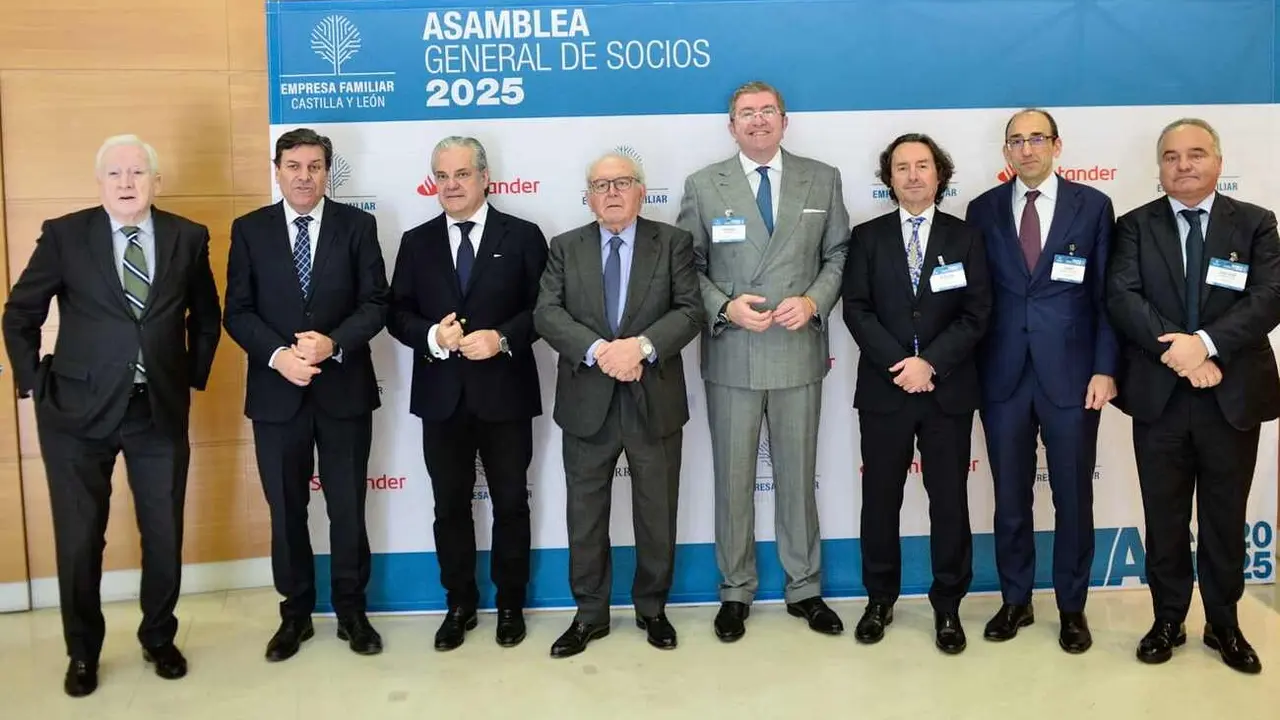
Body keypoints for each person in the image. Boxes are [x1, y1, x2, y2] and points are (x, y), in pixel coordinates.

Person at [1, 134, 221, 696]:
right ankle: (83, 652)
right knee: (79, 540)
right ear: (99, 183)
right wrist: (33, 383)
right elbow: (20, 312)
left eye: (138, 173)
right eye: (116, 174)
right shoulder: (65, 235)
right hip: (74, 415)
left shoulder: (187, 237)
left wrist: (187, 377)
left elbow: (208, 316)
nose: (127, 183)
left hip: (157, 411)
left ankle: (158, 637)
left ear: (156, 182)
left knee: (164, 532)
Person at [677, 80, 850, 641]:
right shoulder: (703, 185)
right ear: (731, 126)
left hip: (798, 350)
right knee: (732, 479)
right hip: (733, 353)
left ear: (784, 119)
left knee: (798, 477)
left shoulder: (821, 177)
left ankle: (805, 588)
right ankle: (735, 590)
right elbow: (687, 267)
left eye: (766, 112)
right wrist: (724, 308)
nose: (757, 121)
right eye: (745, 114)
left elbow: (838, 252)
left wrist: (813, 300)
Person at [1107, 118, 1280, 674]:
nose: (1184, 165)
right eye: (1172, 156)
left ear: (1218, 162)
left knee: (1226, 516)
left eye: (1196, 154)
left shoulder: (1256, 224)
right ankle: (1167, 618)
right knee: (1164, 514)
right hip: (1160, 396)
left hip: (1231, 393)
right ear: (1158, 168)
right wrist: (1176, 354)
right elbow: (1123, 297)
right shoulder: (1134, 226)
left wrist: (1204, 346)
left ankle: (1224, 624)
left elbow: (1268, 297)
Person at [224, 128, 390, 662]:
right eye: (293, 165)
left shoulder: (358, 226)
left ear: (327, 172)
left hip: (343, 391)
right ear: (277, 169)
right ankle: (295, 615)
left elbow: (376, 304)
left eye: (314, 166)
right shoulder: (248, 230)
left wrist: (332, 343)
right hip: (277, 396)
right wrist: (280, 357)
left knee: (347, 508)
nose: (303, 175)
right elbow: (238, 312)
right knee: (287, 512)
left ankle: (351, 612)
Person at [533, 152, 702, 658]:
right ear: (587, 195)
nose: (610, 192)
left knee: (656, 512)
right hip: (588, 401)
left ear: (641, 191)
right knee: (585, 515)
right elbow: (547, 312)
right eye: (600, 184)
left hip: (655, 399)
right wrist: (601, 351)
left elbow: (691, 311)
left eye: (621, 182)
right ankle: (589, 615)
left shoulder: (672, 242)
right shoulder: (565, 247)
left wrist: (642, 348)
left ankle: (653, 608)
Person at [965, 109, 1118, 653]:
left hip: (1074, 378)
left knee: (1073, 496)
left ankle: (1073, 607)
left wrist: (1105, 368)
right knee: (1009, 496)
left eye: (1036, 139)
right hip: (1002, 375)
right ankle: (1016, 600)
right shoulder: (981, 210)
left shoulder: (1093, 207)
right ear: (1005, 151)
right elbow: (975, 298)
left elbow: (1106, 297)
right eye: (1016, 140)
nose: (1026, 149)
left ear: (1057, 145)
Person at [386, 136, 548, 650]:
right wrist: (433, 337)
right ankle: (459, 603)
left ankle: (509, 604)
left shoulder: (522, 235)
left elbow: (545, 310)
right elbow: (395, 313)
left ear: (484, 177)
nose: (451, 185)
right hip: (442, 399)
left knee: (510, 505)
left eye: (461, 174)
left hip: (505, 395)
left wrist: (501, 338)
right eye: (442, 176)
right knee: (448, 507)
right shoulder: (416, 241)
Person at [843, 133, 990, 654]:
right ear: (889, 178)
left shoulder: (966, 237)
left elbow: (977, 313)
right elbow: (856, 309)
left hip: (945, 390)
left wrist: (930, 364)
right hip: (886, 391)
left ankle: (948, 605)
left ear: (939, 174)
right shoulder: (867, 237)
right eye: (901, 167)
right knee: (880, 500)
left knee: (949, 501)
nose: (912, 175)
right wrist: (898, 365)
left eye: (922, 165)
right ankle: (879, 598)